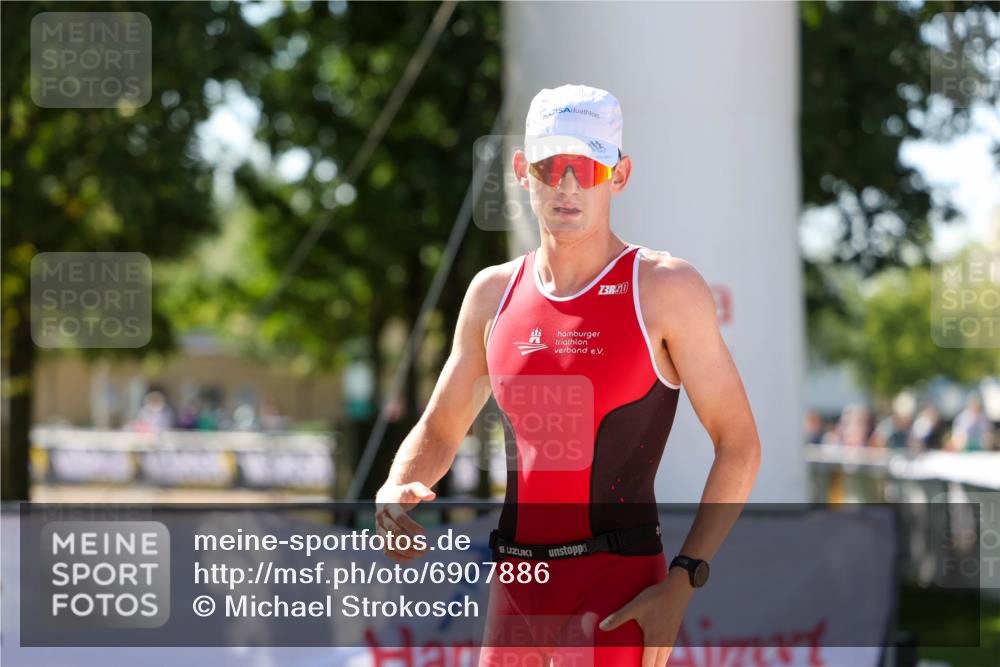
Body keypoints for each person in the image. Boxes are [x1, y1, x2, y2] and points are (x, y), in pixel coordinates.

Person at [375, 84, 761, 667]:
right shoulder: (491, 293)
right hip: (515, 590)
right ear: (520, 172)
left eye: (586, 165)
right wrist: (395, 488)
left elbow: (740, 445)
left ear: (620, 174)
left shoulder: (663, 288)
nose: (567, 183)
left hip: (618, 593)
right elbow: (440, 427)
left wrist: (684, 580)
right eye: (549, 164)